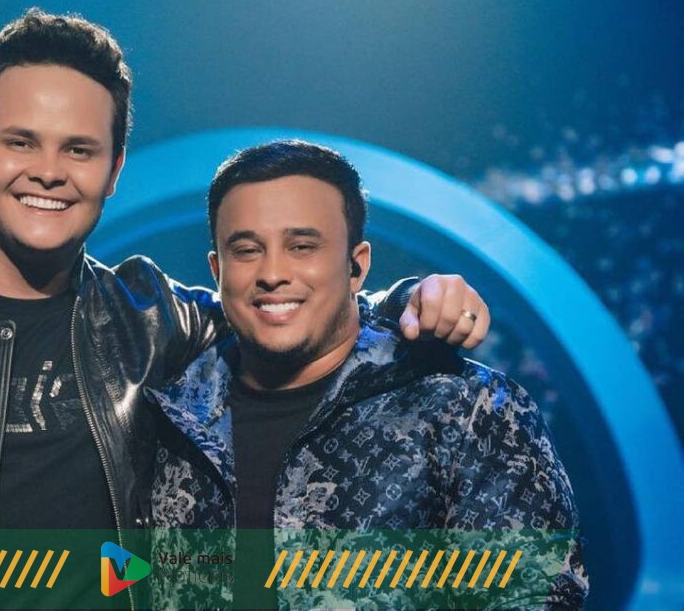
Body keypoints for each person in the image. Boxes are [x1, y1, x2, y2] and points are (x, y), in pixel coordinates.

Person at [0, 11, 492, 609]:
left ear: (116, 167)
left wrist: (407, 299)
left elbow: (289, 307)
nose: (49, 172)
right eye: (21, 142)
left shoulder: (154, 320)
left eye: (79, 149)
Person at [149, 140, 587, 609]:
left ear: (356, 266)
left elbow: (536, 596)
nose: (272, 272)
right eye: (247, 250)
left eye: (302, 246)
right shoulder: (167, 417)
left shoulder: (465, 410)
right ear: (217, 270)